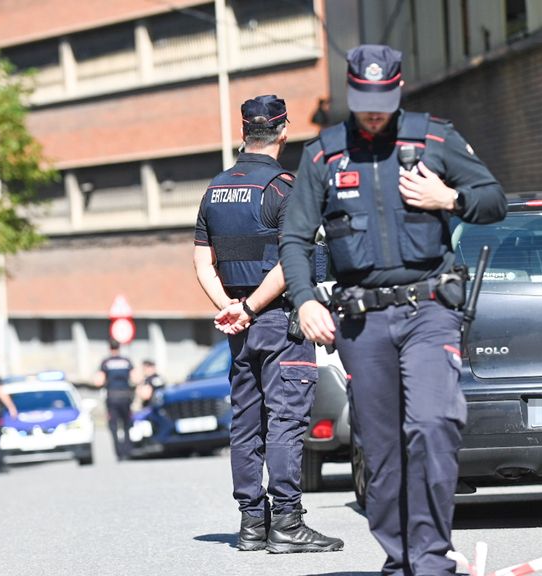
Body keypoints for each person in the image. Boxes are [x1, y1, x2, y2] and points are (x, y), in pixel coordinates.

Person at [279, 45, 507, 575]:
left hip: (430, 308)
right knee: (380, 453)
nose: (373, 110)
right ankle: (402, 558)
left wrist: (448, 199)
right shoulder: (324, 155)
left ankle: (429, 561)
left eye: (382, 99)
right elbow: (293, 238)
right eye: (363, 99)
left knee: (432, 423)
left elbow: (494, 199)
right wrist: (306, 298)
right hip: (362, 321)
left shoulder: (435, 139)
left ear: (400, 88)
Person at [194, 94, 342, 554]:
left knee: (245, 423)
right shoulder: (285, 187)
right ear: (283, 131)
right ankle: (288, 524)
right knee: (286, 421)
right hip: (276, 321)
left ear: (244, 132)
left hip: (239, 329)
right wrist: (253, 308)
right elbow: (289, 260)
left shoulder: (215, 189)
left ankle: (251, 525)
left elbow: (202, 261)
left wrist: (229, 308)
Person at [94, 340, 135, 461]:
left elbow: (99, 381)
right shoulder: (126, 361)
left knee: (113, 427)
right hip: (126, 396)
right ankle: (128, 450)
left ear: (109, 348)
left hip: (112, 397)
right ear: (119, 348)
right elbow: (135, 378)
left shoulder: (106, 362)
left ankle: (119, 453)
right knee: (127, 424)